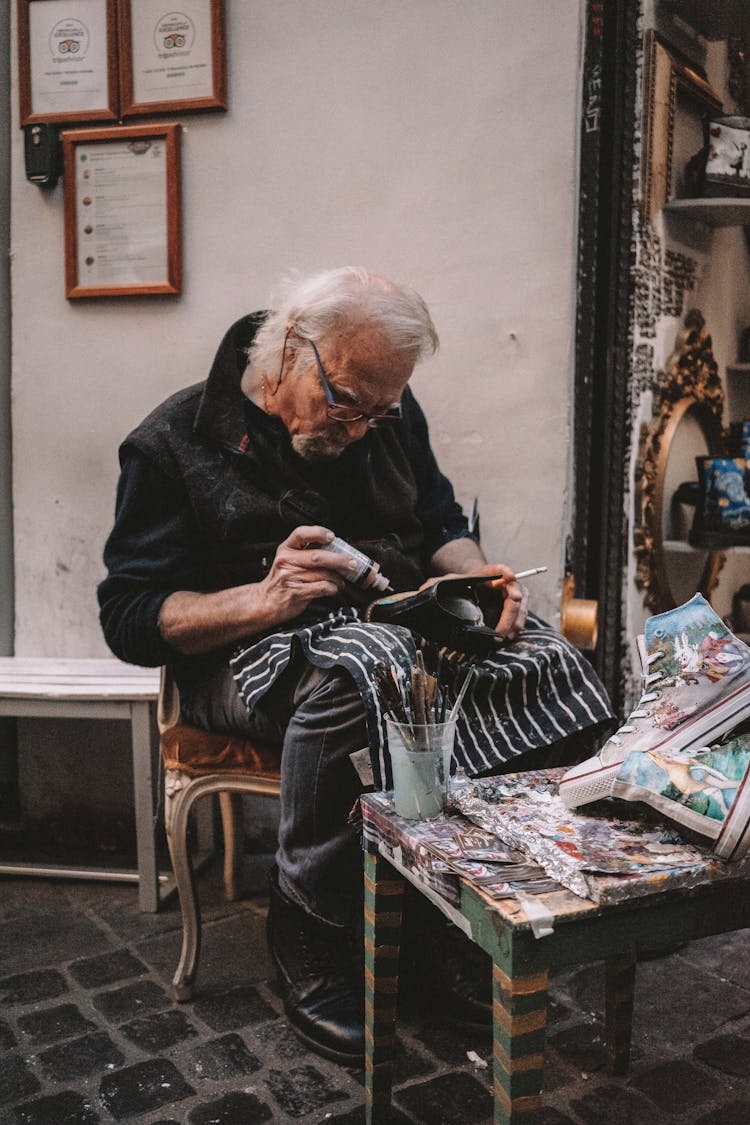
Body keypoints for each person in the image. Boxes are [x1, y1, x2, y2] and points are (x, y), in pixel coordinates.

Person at [99, 267, 612, 1065]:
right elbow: (130, 618)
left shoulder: (380, 407)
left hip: (392, 628)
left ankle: (457, 917)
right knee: (366, 668)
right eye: (349, 404)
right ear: (292, 350)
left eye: (384, 409)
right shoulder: (173, 441)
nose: (366, 428)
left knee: (542, 655)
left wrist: (479, 577)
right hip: (243, 657)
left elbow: (439, 516)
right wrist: (262, 600)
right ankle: (313, 938)